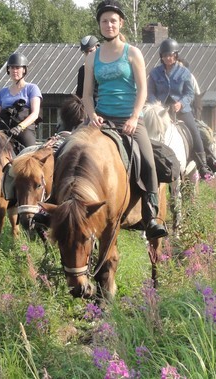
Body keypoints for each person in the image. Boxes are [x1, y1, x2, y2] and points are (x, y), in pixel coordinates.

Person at [82, 0, 167, 239]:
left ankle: (151, 215)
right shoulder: (92, 57)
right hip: (101, 119)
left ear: (120, 23)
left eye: (113, 21)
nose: (109, 25)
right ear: (99, 24)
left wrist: (134, 117)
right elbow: (86, 95)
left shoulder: (133, 53)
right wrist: (92, 116)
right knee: (69, 149)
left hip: (130, 119)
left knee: (149, 162)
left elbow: (143, 91)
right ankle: (60, 205)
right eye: (104, 21)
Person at [148, 39, 214, 177]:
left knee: (195, 131)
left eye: (170, 55)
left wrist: (181, 103)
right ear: (161, 57)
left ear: (176, 55)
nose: (167, 58)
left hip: (181, 110)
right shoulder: (155, 73)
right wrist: (157, 105)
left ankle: (203, 165)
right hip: (160, 110)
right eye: (165, 55)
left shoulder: (184, 72)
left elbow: (190, 93)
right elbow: (150, 92)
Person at [0, 53, 42, 149]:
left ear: (24, 69)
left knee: (30, 153)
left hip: (24, 130)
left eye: (17, 68)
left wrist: (20, 127)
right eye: (12, 68)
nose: (14, 71)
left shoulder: (32, 88)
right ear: (8, 69)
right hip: (3, 130)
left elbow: (35, 114)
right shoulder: (2, 92)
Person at [76, 35, 99, 103]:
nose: (89, 54)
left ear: (97, 48)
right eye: (86, 52)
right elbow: (79, 94)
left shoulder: (106, 67)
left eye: (91, 51)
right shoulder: (82, 70)